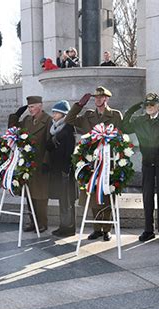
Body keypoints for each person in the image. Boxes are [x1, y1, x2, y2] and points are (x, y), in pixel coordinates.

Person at [65, 86, 123, 241]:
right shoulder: (88, 115)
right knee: (92, 193)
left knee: (107, 192)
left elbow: (121, 136)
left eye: (101, 97)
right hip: (91, 160)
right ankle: (97, 229)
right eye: (95, 98)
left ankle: (107, 229)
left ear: (107, 98)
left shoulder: (115, 115)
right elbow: (68, 120)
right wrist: (79, 105)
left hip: (109, 160)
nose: (97, 100)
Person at [122, 93, 159, 245]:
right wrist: (133, 109)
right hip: (147, 163)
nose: (149, 107)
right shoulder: (140, 120)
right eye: (147, 105)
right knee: (147, 197)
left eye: (152, 105)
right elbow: (124, 127)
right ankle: (148, 230)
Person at [9, 96, 51, 233]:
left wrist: (46, 161)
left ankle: (42, 223)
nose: (30, 109)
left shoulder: (48, 120)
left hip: (41, 163)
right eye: (29, 107)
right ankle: (33, 221)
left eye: (32, 107)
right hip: (28, 163)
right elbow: (13, 130)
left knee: (41, 196)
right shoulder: (27, 120)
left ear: (40, 106)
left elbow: (50, 143)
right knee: (30, 194)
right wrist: (15, 115)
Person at [46, 100, 77, 237]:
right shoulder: (55, 128)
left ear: (63, 114)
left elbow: (70, 150)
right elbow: (49, 146)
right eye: (53, 112)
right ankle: (62, 225)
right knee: (61, 199)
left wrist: (66, 168)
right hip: (57, 169)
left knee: (67, 200)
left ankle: (69, 227)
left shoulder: (68, 128)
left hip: (66, 170)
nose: (53, 115)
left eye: (56, 112)